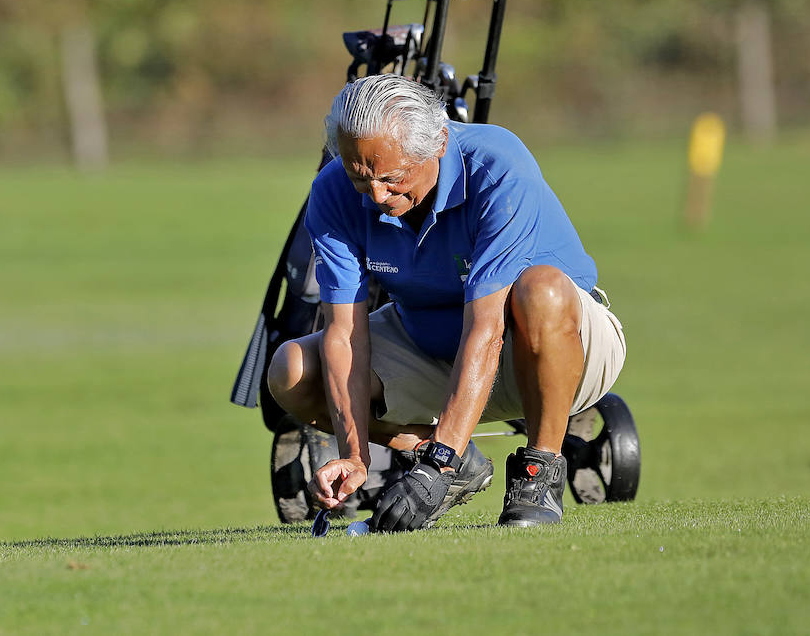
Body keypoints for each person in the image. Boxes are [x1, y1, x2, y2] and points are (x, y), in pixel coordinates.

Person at [266, 74, 626, 529]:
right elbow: (345, 334)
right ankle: (456, 463)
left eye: (392, 178)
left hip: (555, 347)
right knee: (292, 369)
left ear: (436, 143)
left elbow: (487, 326)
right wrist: (355, 455)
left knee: (541, 289)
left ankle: (541, 470)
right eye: (362, 179)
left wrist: (438, 463)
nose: (377, 197)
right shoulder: (333, 191)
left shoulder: (498, 165)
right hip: (433, 349)